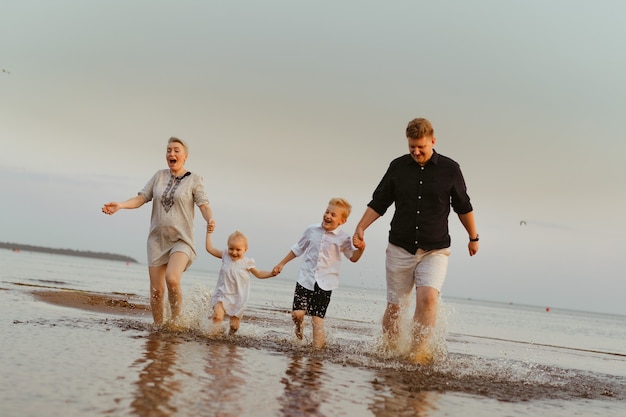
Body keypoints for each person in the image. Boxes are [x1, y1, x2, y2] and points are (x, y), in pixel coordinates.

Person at [352, 117, 479, 364]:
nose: (416, 151)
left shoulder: (450, 169)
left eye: (421, 146)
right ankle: (389, 350)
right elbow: (379, 201)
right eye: (412, 147)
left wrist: (473, 237)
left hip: (435, 250)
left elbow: (463, 206)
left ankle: (417, 353)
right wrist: (360, 227)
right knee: (395, 307)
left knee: (428, 298)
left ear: (433, 140)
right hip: (400, 246)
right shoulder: (397, 167)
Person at [102, 137, 214, 326]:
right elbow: (141, 198)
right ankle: (159, 327)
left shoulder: (194, 179)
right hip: (157, 240)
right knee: (156, 290)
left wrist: (209, 219)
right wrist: (120, 205)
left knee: (172, 278)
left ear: (185, 156)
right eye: (169, 150)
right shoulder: (159, 176)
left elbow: (204, 205)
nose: (172, 154)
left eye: (176, 150)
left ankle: (177, 324)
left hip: (181, 240)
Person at [272, 198, 366, 349]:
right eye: (327, 212)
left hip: (326, 283)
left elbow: (353, 258)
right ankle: (299, 326)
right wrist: (281, 263)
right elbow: (298, 248)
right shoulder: (311, 230)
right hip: (305, 278)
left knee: (317, 320)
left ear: (342, 220)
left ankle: (316, 354)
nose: (328, 216)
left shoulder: (343, 238)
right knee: (297, 314)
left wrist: (361, 249)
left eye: (333, 214)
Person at [205, 221, 276, 334]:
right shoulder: (225, 256)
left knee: (234, 327)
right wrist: (209, 233)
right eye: (231, 248)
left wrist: (271, 273)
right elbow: (210, 249)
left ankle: (229, 338)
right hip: (222, 294)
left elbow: (258, 274)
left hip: (238, 298)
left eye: (238, 250)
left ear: (245, 249)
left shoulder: (247, 263)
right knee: (217, 317)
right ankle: (213, 341)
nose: (234, 252)